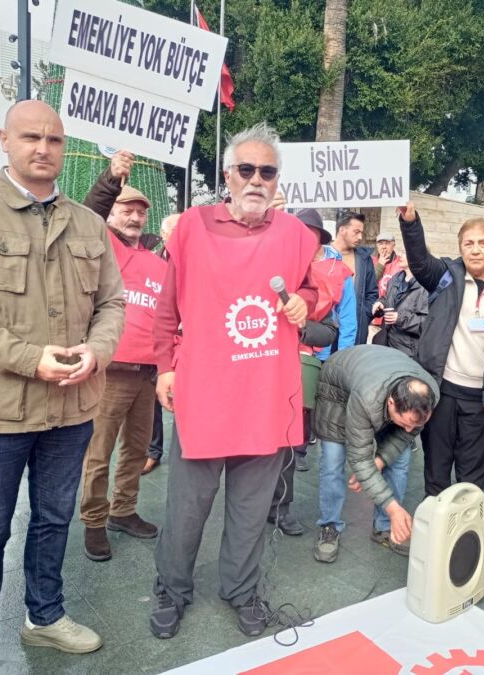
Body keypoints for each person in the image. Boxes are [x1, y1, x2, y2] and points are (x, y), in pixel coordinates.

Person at [0, 100, 125, 673]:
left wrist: (97, 350)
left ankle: (44, 617)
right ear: (5, 141)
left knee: (52, 519)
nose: (43, 148)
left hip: (72, 407)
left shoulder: (90, 224)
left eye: (54, 139)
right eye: (31, 137)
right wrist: (28, 359)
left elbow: (111, 303)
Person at [149, 123, 319, 640]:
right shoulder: (192, 227)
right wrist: (166, 367)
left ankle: (242, 591)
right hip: (204, 395)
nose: (256, 180)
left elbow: (315, 288)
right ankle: (171, 590)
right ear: (228, 175)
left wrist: (305, 302)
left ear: (277, 180)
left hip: (266, 397)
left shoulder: (296, 234)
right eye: (246, 169)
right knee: (186, 507)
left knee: (250, 509)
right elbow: (165, 306)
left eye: (267, 171)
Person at [77, 165, 167, 561]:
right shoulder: (104, 248)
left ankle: (123, 510)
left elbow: (170, 316)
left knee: (135, 449)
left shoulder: (156, 262)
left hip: (147, 374)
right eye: (126, 209)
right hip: (111, 372)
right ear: (112, 214)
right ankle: (94, 521)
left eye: (141, 211)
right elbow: (88, 217)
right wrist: (112, 178)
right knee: (99, 452)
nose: (135, 216)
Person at [397, 204, 484, 494]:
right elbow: (419, 261)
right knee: (436, 470)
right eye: (469, 243)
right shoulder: (445, 276)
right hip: (444, 392)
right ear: (460, 247)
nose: (476, 250)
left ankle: (463, 534)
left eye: (483, 243)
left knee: (472, 477)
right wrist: (410, 222)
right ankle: (436, 535)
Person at [312, 345, 439, 562]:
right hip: (337, 392)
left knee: (400, 459)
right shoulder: (367, 398)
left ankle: (384, 527)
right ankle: (329, 525)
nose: (410, 430)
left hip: (374, 375)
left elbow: (406, 434)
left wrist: (378, 463)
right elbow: (360, 458)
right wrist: (393, 507)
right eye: (406, 423)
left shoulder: (428, 395)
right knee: (334, 459)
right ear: (391, 404)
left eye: (415, 425)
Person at [267, 207, 348, 534]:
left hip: (293, 377)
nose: (306, 244)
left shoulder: (321, 283)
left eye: (312, 240)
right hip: (254, 373)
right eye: (301, 236)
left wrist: (300, 329)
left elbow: (329, 330)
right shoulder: (264, 265)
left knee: (286, 445)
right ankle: (248, 506)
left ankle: (280, 508)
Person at [145, 213, 181, 475]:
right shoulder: (154, 259)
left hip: (189, 339)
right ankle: (152, 450)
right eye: (173, 231)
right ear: (164, 235)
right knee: (154, 397)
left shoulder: (196, 258)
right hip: (161, 338)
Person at [332, 212, 378, 345]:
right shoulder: (323, 254)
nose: (360, 237)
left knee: (350, 364)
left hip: (356, 331)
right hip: (326, 330)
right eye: (356, 232)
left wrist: (364, 315)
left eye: (361, 233)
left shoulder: (364, 259)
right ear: (342, 230)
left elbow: (372, 293)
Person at [371, 255, 427, 357]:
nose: (401, 255)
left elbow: (427, 323)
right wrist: (381, 303)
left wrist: (400, 318)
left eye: (406, 252)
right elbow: (388, 299)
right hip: (386, 342)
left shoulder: (426, 287)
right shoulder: (395, 279)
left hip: (407, 351)